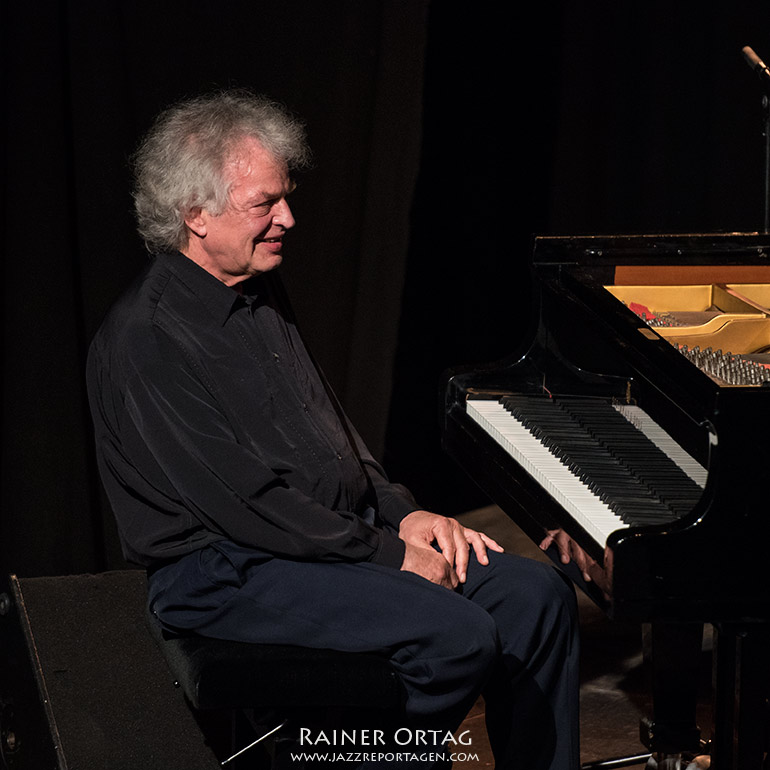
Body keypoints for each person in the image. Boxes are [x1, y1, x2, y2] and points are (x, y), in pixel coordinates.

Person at [86, 89, 580, 769]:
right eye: (265, 203)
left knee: (536, 596)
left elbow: (332, 435)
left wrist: (403, 515)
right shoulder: (148, 339)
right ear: (195, 214)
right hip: (225, 569)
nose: (287, 217)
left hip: (318, 540)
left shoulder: (257, 292)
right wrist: (388, 555)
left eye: (284, 197)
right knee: (456, 634)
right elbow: (246, 506)